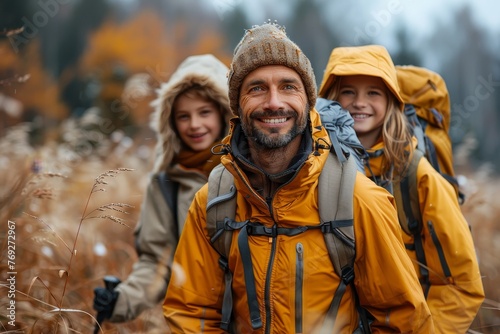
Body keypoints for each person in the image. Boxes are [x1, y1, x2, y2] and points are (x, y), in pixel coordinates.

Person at [163, 22, 433, 333]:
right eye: (257, 88)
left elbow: (403, 321)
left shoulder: (359, 200)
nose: (274, 102)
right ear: (237, 105)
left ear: (308, 103)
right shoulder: (213, 201)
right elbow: (190, 312)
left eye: (289, 86)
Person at [318, 44, 484, 333]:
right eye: (348, 92)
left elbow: (461, 283)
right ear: (330, 100)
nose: (360, 102)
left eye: (373, 92)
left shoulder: (415, 174)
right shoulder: (313, 169)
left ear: (392, 101)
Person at [93, 54, 232, 324]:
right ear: (171, 122)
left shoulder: (253, 173)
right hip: (199, 321)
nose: (194, 125)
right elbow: (157, 264)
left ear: (224, 112)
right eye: (183, 116)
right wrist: (122, 300)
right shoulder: (165, 184)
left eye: (204, 112)